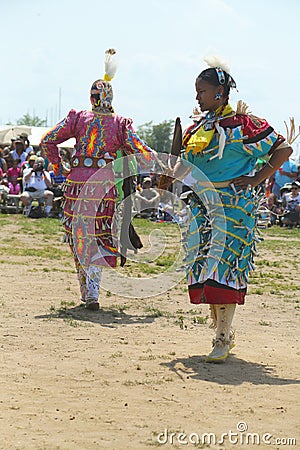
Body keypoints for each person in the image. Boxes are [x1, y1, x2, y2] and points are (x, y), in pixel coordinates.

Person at [167, 56, 293, 362]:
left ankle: (222, 337)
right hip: (201, 209)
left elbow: (283, 149)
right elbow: (183, 165)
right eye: (196, 91)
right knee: (206, 271)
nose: (197, 97)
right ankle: (220, 333)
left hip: (233, 210)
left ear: (220, 92)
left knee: (224, 269)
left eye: (202, 91)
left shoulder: (242, 126)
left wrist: (255, 178)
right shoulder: (197, 128)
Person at [40, 49, 156, 311]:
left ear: (92, 98)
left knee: (78, 235)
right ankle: (91, 291)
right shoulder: (121, 124)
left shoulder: (78, 118)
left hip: (76, 186)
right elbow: (143, 152)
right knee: (99, 235)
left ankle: (88, 292)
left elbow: (48, 140)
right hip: (104, 188)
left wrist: (61, 167)